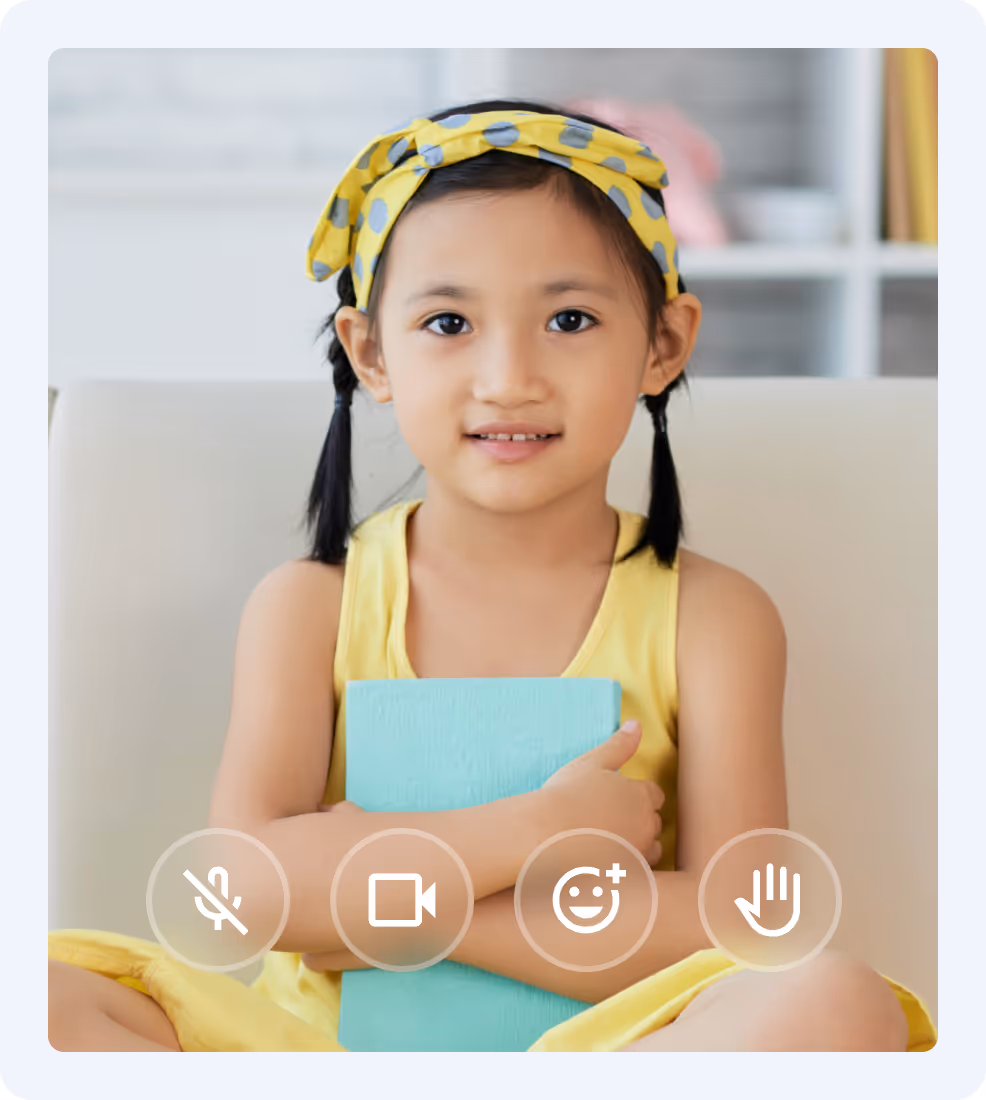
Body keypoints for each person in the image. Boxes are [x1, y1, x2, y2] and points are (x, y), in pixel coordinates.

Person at [48, 99, 936, 1053]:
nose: (509, 375)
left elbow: (742, 921)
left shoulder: (714, 616)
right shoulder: (311, 605)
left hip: (610, 1050)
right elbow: (240, 892)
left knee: (835, 1002)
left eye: (569, 318)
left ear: (664, 345)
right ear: (371, 352)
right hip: (314, 1053)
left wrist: (402, 915)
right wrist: (536, 828)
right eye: (447, 321)